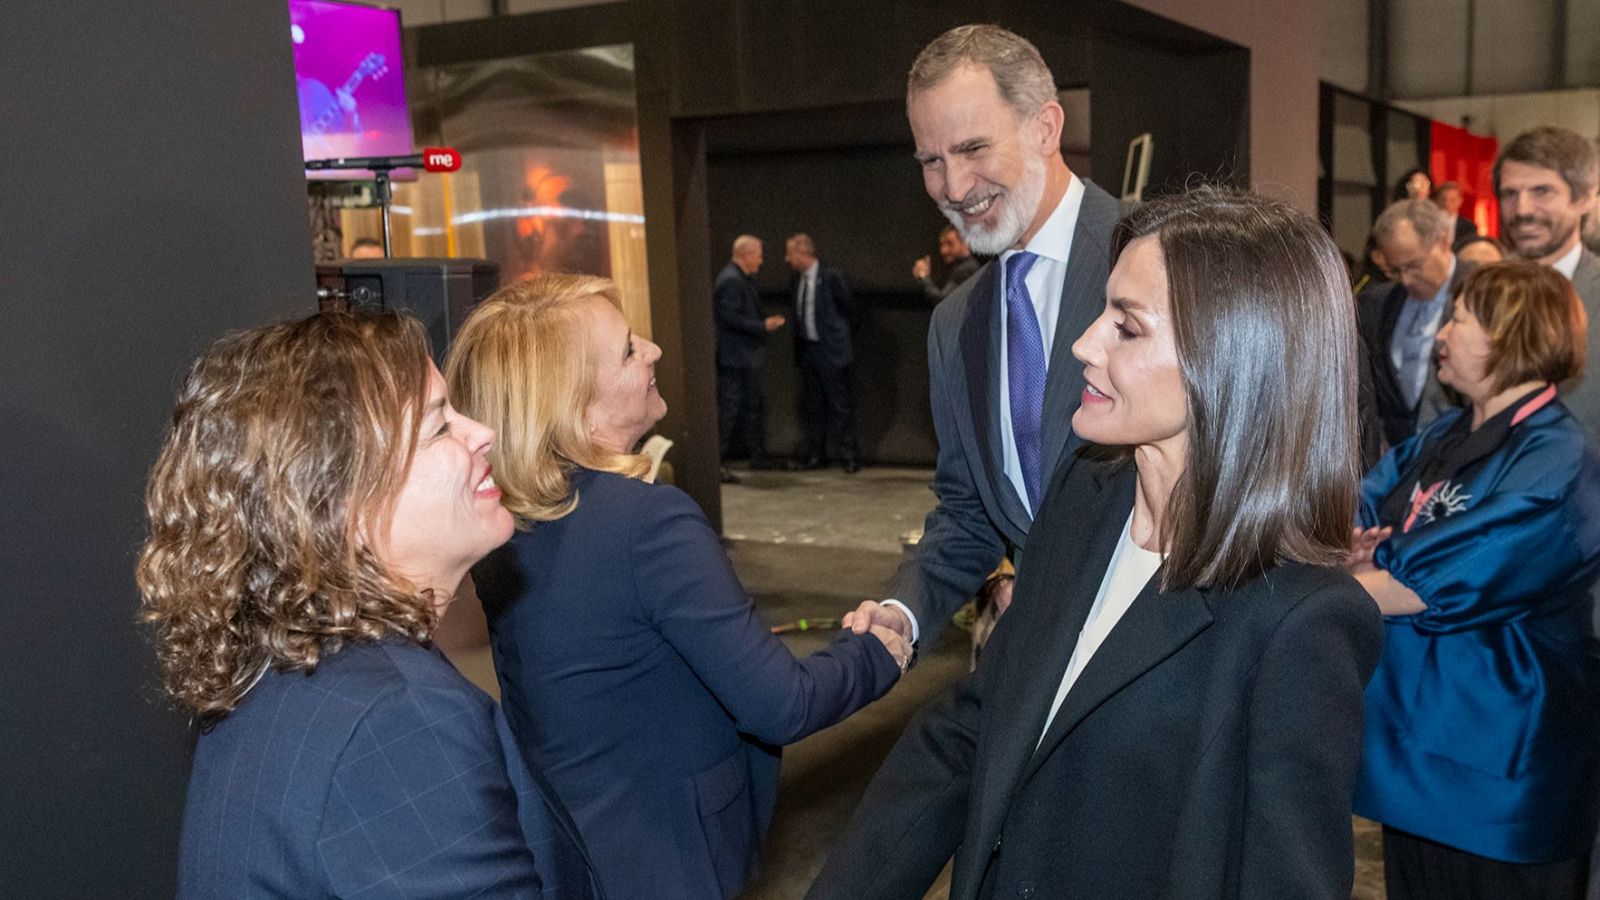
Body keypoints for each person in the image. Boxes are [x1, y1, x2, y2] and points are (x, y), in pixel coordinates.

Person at [809, 188, 1383, 899]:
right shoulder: (1084, 497)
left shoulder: (1300, 621)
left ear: (1231, 359)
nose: (1083, 343)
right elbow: (980, 725)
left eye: (1127, 327)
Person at [445, 273, 909, 900]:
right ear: (576, 405)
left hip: (568, 846)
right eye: (630, 350)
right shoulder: (649, 522)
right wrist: (878, 653)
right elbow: (781, 703)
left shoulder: (509, 522)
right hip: (667, 857)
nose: (655, 350)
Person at [139, 310, 600, 899]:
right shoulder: (400, 718)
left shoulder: (282, 672)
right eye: (439, 427)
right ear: (343, 504)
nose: (481, 432)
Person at [845, 24, 1122, 650]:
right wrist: (905, 611)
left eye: (973, 149)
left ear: (1046, 129)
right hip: (1034, 661)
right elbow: (969, 511)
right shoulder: (954, 322)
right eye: (931, 161)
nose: (953, 186)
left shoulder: (1157, 258)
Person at [1350, 260, 1600, 899]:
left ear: (1511, 335)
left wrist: (1369, 566)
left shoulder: (1560, 458)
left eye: (1460, 317)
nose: (1442, 332)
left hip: (1498, 777)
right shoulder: (1449, 431)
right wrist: (1360, 553)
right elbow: (1359, 512)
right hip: (1418, 759)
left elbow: (1438, 578)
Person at [1495, 127, 1600, 437]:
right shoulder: (1475, 293)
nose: (1522, 210)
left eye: (1542, 192)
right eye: (1509, 194)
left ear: (1583, 198)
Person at [1359, 199, 1471, 448]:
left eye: (1414, 266)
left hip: (1460, 449)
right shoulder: (1379, 303)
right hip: (1400, 457)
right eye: (1395, 271)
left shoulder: (1480, 289)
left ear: (1443, 242)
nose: (1406, 280)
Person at [714, 235, 786, 482]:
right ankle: (717, 463)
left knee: (752, 407)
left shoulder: (741, 279)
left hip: (745, 358)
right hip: (735, 359)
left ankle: (758, 455)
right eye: (759, 254)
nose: (761, 260)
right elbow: (728, 317)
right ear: (746, 254)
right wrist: (761, 326)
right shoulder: (731, 281)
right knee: (730, 409)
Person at [785, 233, 860, 472]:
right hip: (809, 351)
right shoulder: (796, 281)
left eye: (790, 254)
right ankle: (818, 454)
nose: (787, 259)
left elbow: (849, 308)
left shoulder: (831, 276)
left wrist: (839, 338)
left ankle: (848, 454)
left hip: (832, 351)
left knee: (840, 404)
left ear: (803, 253)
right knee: (813, 406)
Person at [914, 223, 981, 302]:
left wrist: (923, 276)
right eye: (942, 245)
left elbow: (944, 302)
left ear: (965, 243)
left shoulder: (967, 269)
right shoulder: (959, 267)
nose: (943, 250)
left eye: (950, 244)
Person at [1431, 180, 1480, 246]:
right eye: (1443, 199)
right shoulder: (1429, 224)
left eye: (1452, 200)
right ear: (1437, 201)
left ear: (1460, 201)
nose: (1447, 203)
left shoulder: (1469, 227)